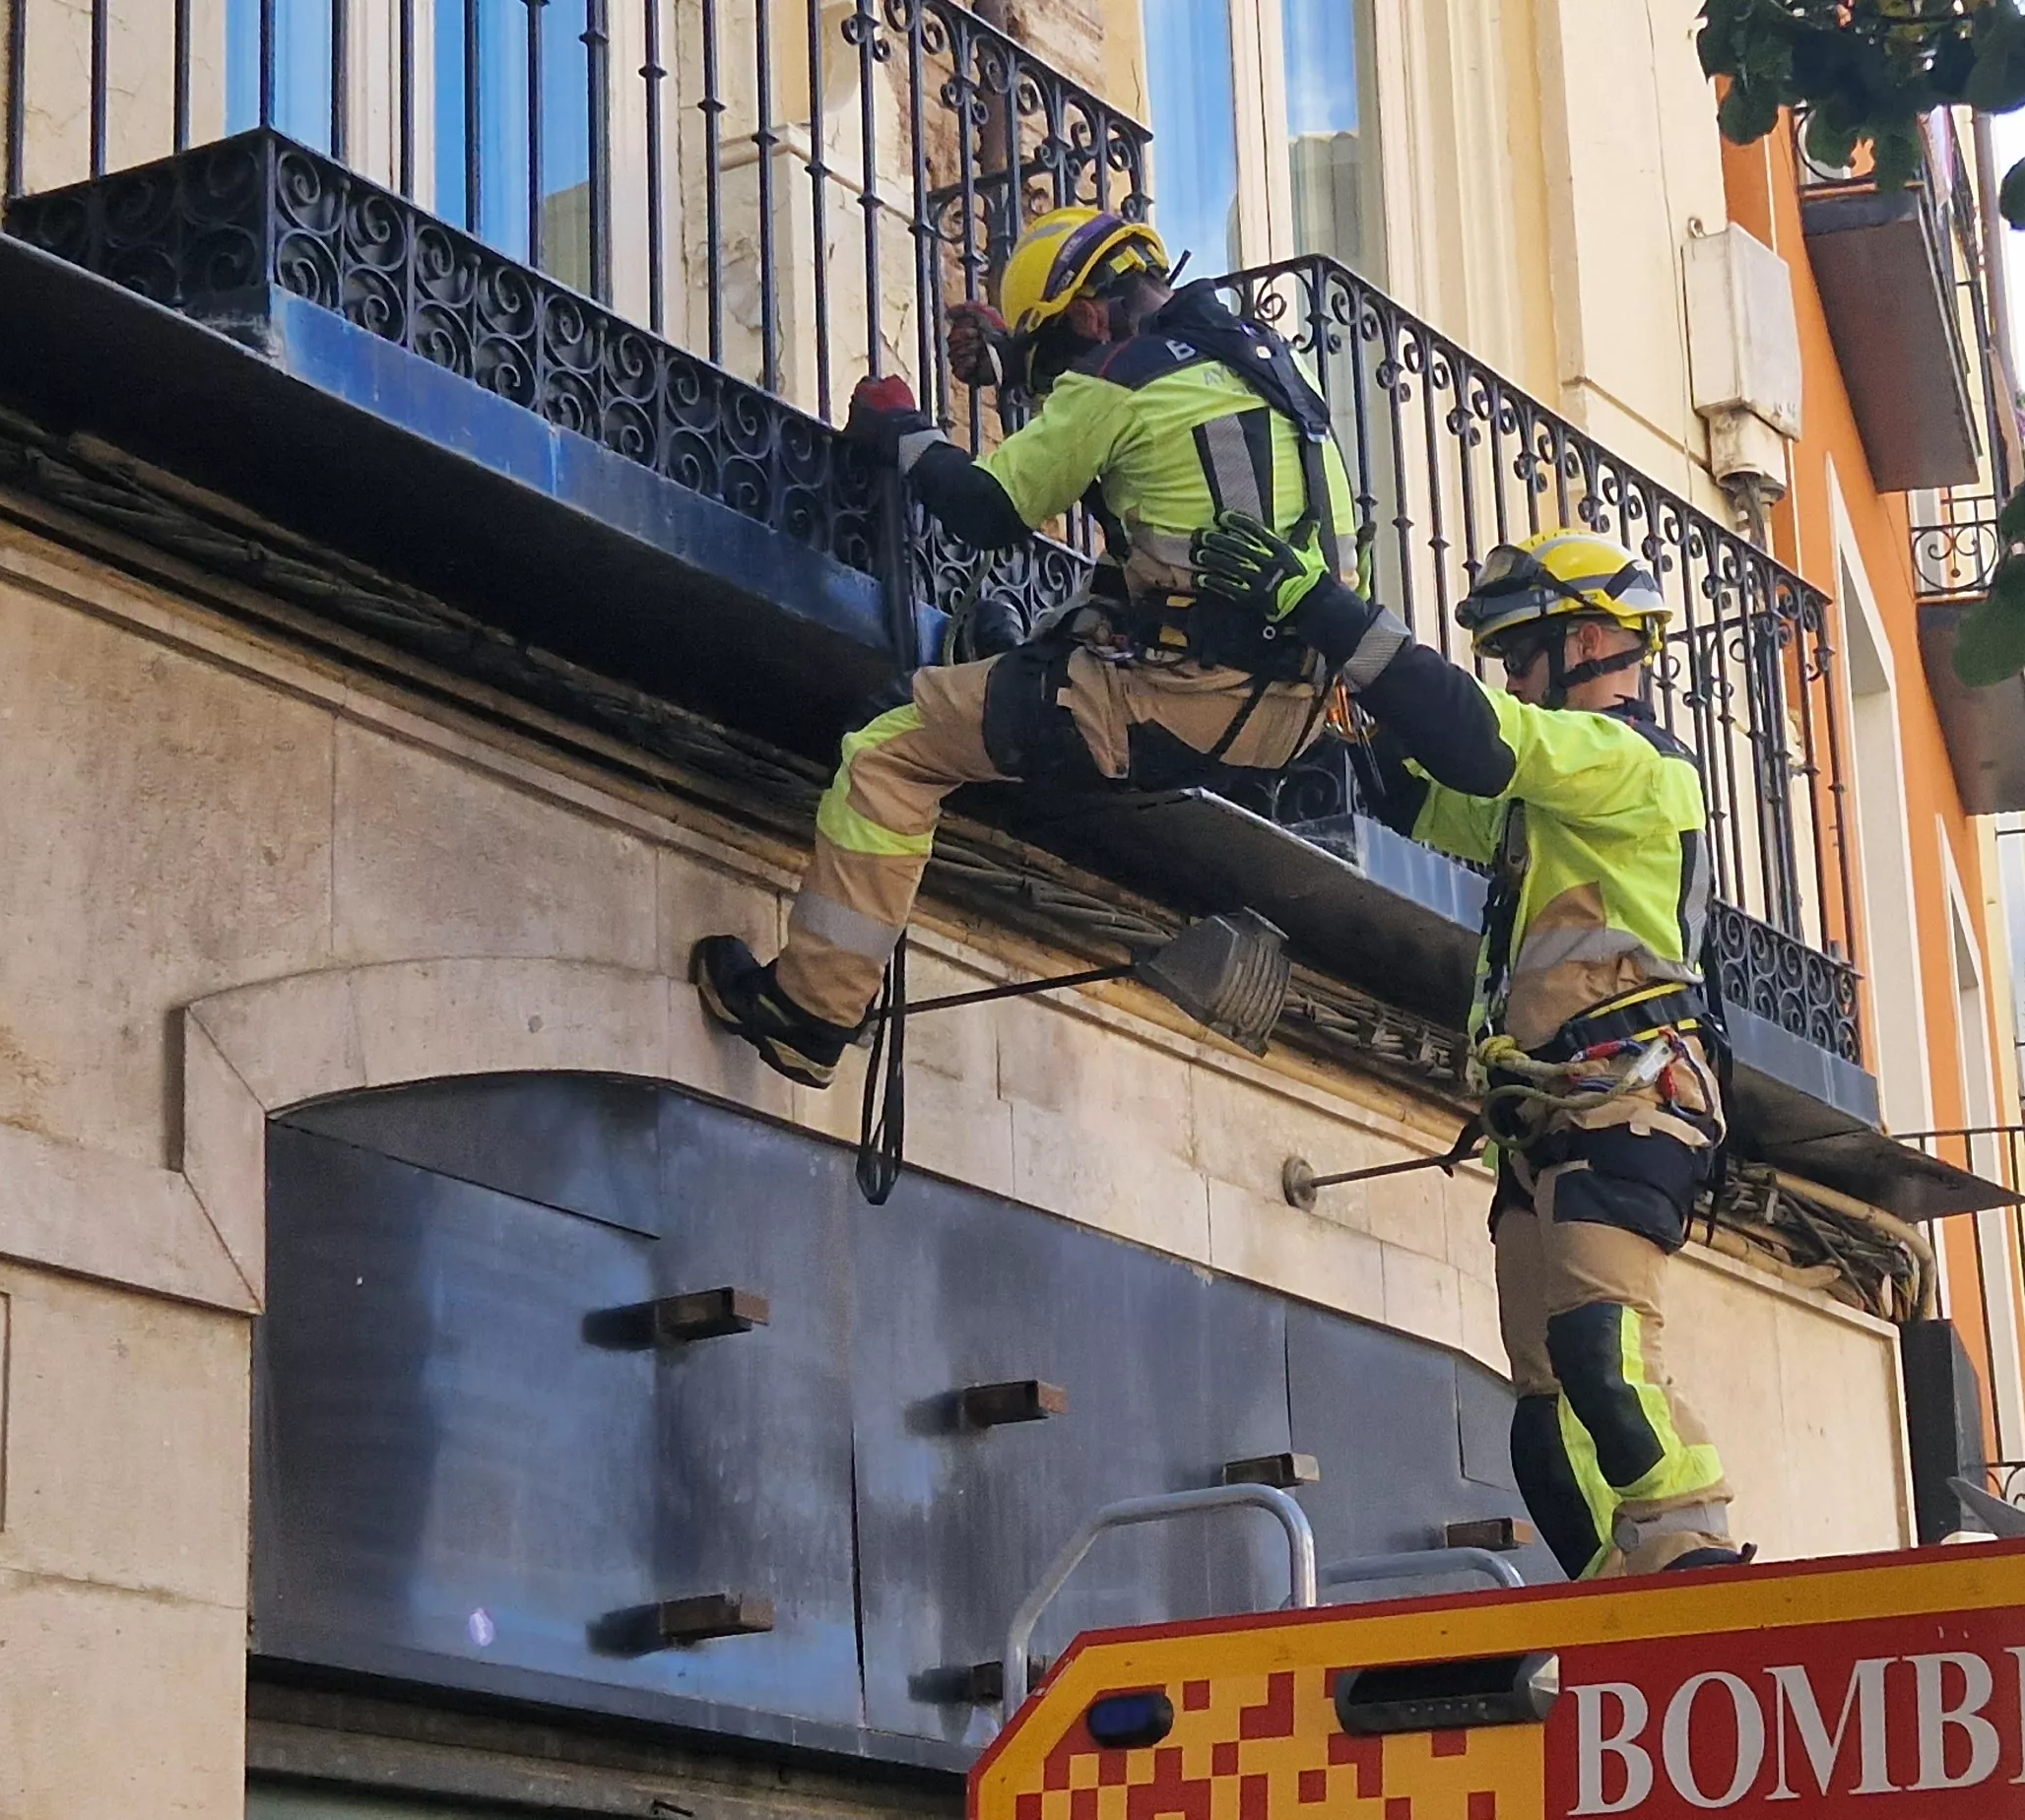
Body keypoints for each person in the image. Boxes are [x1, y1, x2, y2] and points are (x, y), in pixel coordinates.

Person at [690, 206, 1363, 1086]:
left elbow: (989, 511)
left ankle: (811, 1010)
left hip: (1180, 700)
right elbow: (1136, 457)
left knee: (891, 746)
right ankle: (1016, 660)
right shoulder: (1267, 378)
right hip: (1296, 714)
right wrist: (1016, 361)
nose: (1055, 384)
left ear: (1088, 317)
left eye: (1054, 356)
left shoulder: (1116, 382)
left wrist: (903, 430)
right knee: (1101, 601)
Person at [1190, 518, 1742, 1580]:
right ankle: (1612, 1590)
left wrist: (1333, 614)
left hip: (1628, 1091)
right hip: (1544, 1114)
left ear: (1588, 645)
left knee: (1603, 1349)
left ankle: (1693, 1549)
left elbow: (1485, 741)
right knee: (1544, 1413)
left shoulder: (1633, 762)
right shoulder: (1551, 803)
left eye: (1521, 655)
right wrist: (1325, 692)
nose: (1513, 678)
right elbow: (1430, 789)